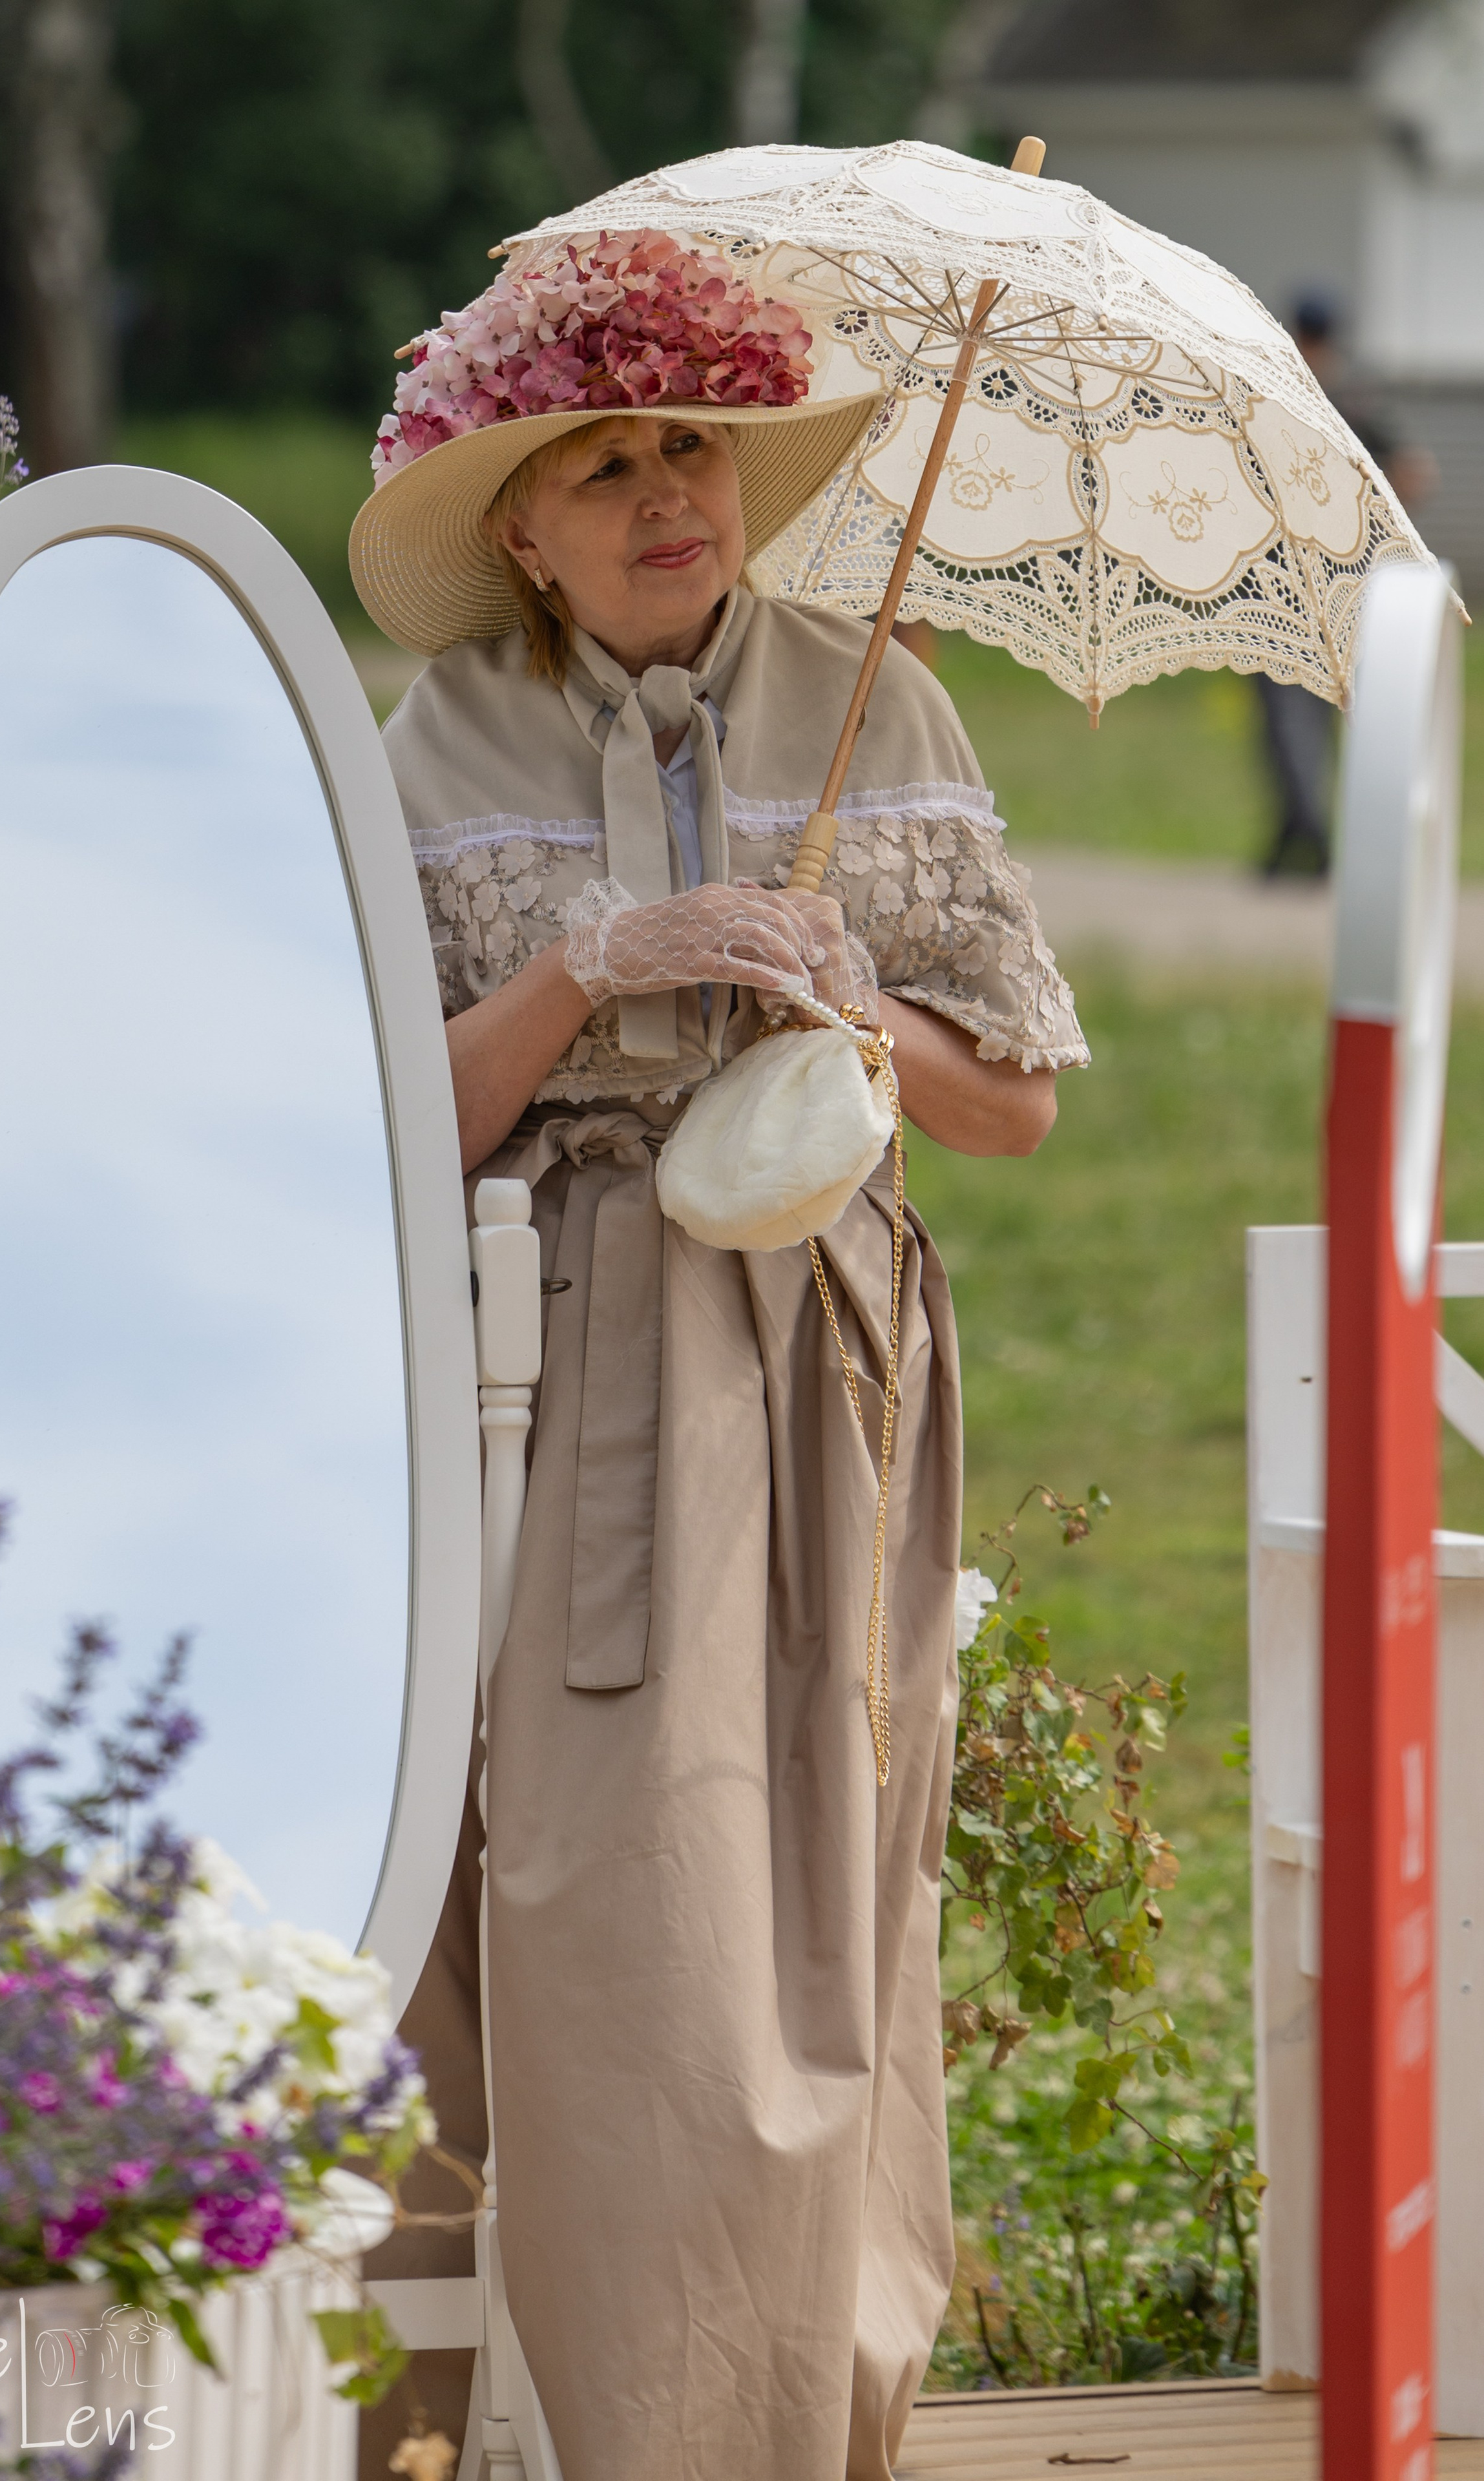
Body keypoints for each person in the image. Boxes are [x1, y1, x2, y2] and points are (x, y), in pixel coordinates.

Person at [351, 230, 1088, 2481]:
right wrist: (589, 965)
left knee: (829, 1883)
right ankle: (543, 2419)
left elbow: (1014, 1108)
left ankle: (797, 2418)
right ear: (518, 527)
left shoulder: (883, 705)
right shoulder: (429, 744)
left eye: (695, 448)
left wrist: (858, 1007)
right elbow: (378, 1122)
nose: (669, 492)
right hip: (547, 1357)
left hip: (827, 1353)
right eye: (607, 465)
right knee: (590, 1895)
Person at [1255, 297, 1438, 877]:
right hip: (1342, 585)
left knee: (1288, 716)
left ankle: (1308, 828)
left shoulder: (1279, 397)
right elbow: (1417, 474)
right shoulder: (1357, 404)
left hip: (1287, 584)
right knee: (1321, 715)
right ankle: (1301, 830)